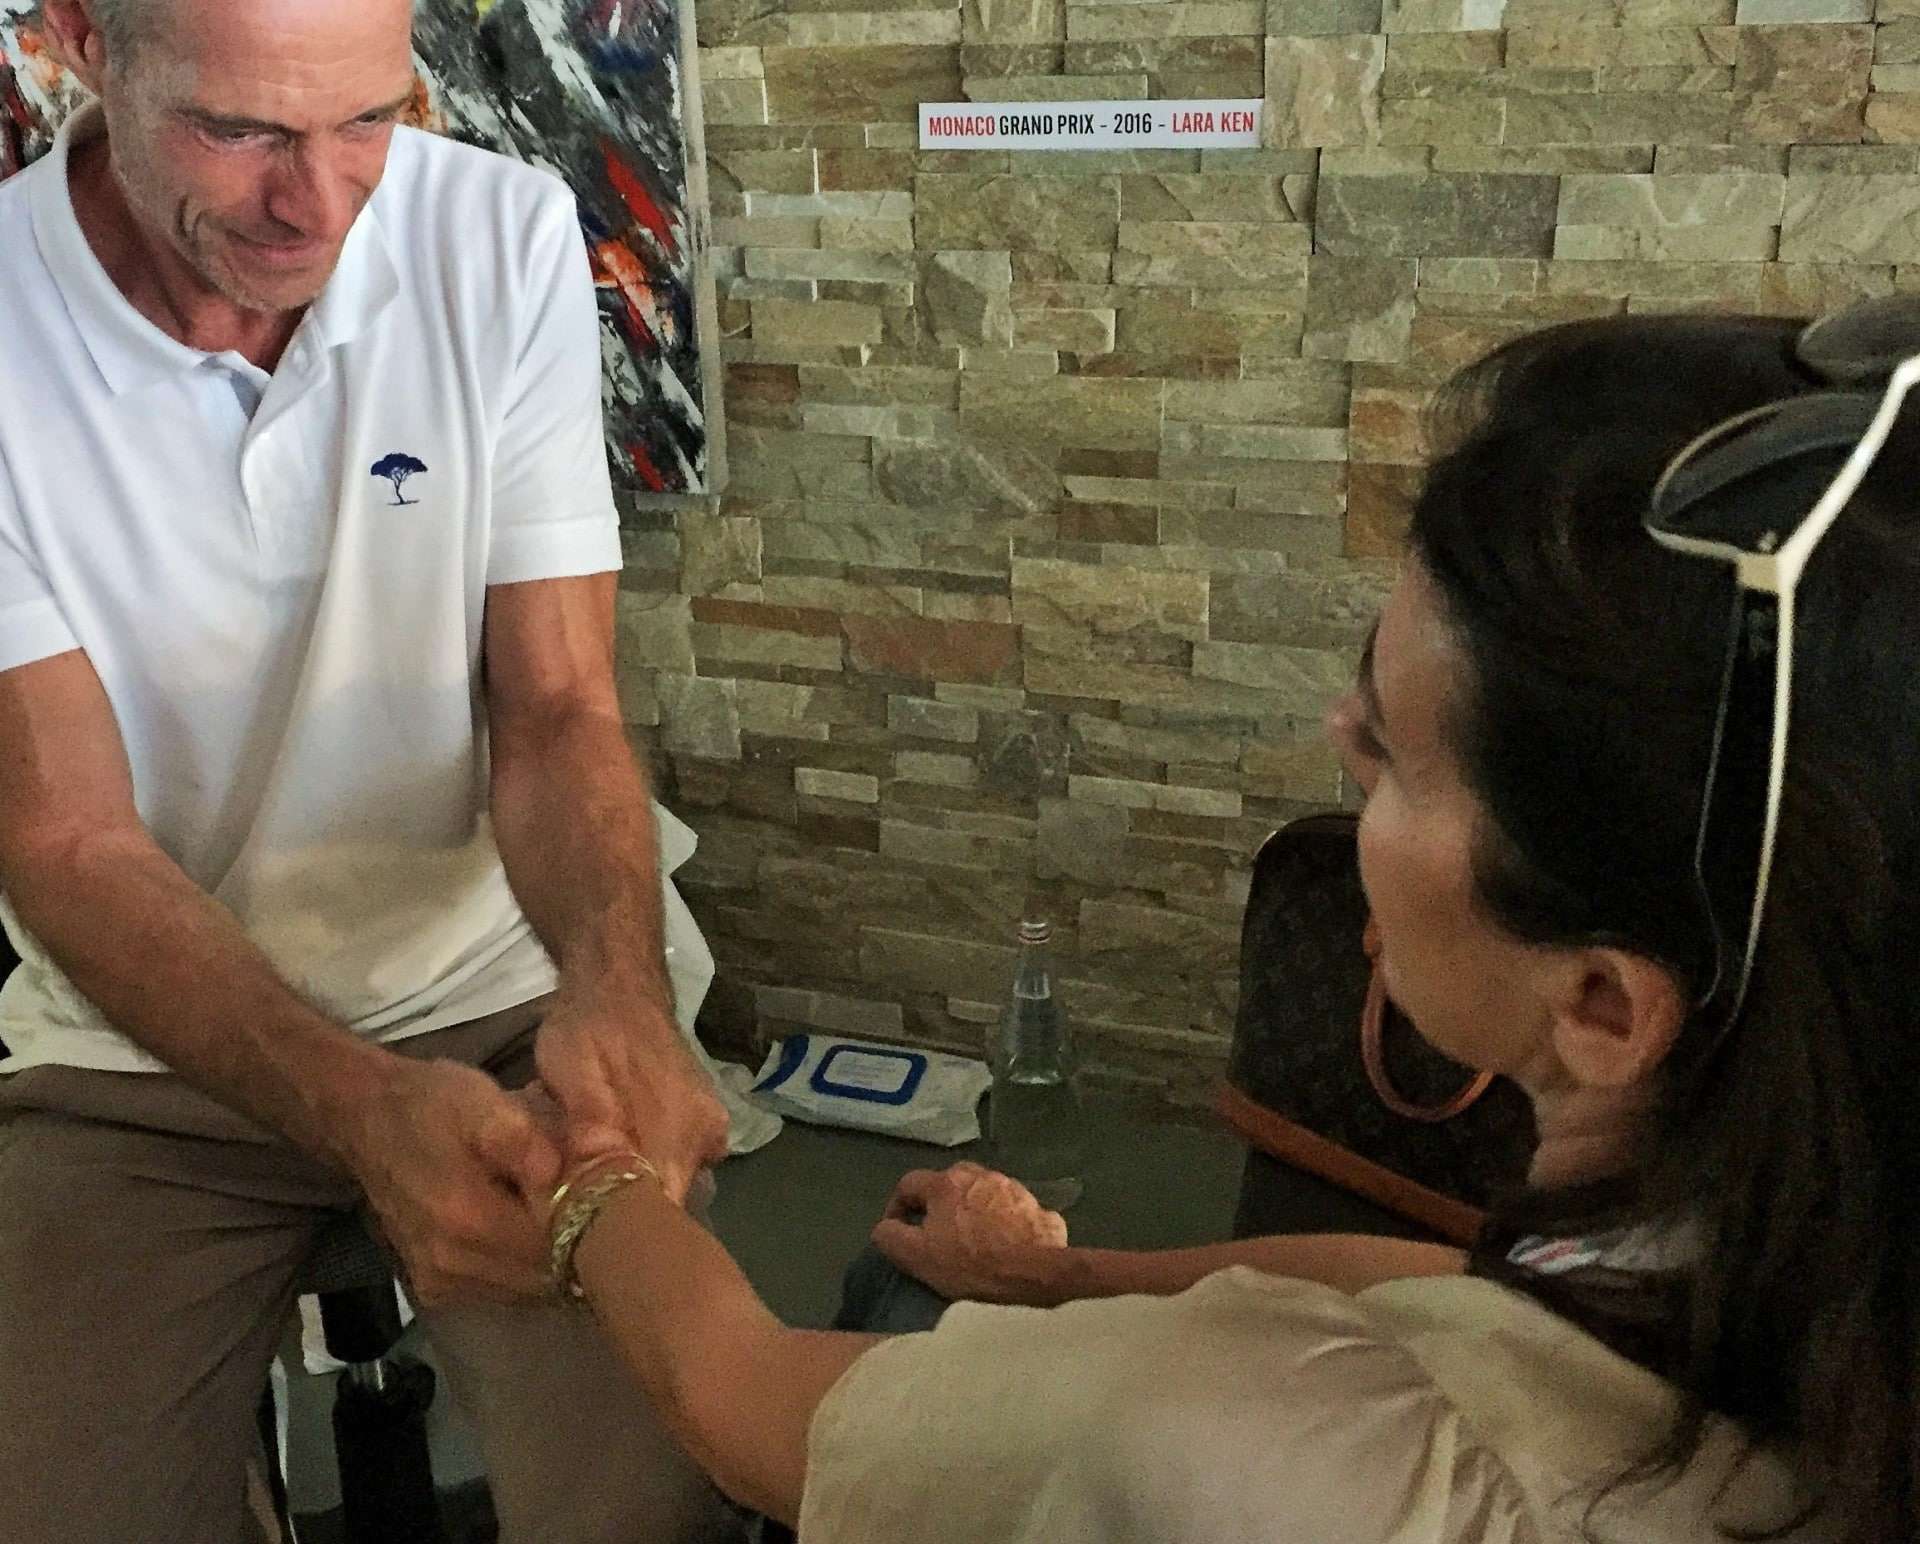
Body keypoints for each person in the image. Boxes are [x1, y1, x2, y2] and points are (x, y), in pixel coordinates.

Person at [529, 301, 1920, 1543]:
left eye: (1388, 754)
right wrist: (1060, 1276)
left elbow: (745, 1402)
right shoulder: (1798, 1236)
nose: (1340, 729)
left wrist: (587, 1181)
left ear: (1605, 1004)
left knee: (883, 1303)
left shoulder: (1287, 1460)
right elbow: (1467, 1290)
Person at [0, 1, 743, 1539]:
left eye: (368, 120)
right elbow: (67, 839)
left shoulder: (501, 235)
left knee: (662, 1494)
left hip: (500, 1000)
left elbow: (556, 704)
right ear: (79, 38)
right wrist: (361, 1112)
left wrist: (619, 993)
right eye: (240, 130)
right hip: (137, 1052)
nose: (319, 204)